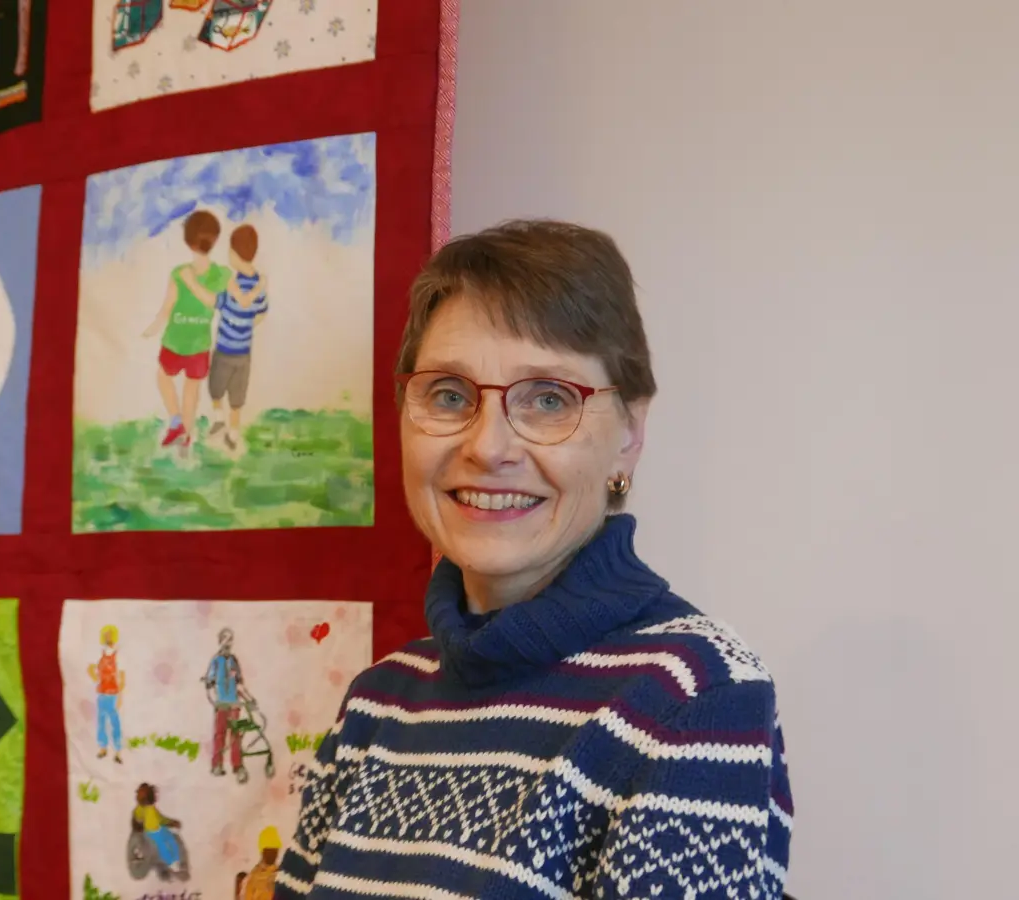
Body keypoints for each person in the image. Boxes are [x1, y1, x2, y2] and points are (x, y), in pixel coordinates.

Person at [275, 220, 793, 899]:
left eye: (548, 399)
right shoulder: (377, 702)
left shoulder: (695, 695)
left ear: (630, 433)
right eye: (450, 394)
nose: (488, 447)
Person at [142, 210, 228, 450]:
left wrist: (153, 327)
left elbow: (168, 308)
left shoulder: (180, 273)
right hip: (198, 344)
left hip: (176, 341)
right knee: (191, 389)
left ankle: (177, 423)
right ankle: (185, 434)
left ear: (188, 241)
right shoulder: (221, 274)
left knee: (164, 377)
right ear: (215, 239)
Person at [178, 223, 268, 452]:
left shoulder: (232, 284)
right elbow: (261, 312)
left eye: (229, 250)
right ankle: (231, 434)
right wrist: (247, 325)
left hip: (225, 350)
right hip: (244, 353)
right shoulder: (259, 285)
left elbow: (214, 301)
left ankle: (222, 422)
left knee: (217, 389)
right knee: (236, 398)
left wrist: (191, 283)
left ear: (235, 254)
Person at [202, 627, 248, 778]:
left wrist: (248, 697)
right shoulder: (216, 661)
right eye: (225, 639)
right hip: (221, 702)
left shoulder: (234, 661)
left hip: (234, 702)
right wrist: (211, 693)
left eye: (230, 639)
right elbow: (209, 681)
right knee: (219, 734)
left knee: (235, 735)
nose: (228, 643)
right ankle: (217, 765)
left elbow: (239, 681)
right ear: (220, 641)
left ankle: (237, 766)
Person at [87, 624, 125, 763]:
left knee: (115, 722)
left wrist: (120, 696)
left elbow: (122, 677)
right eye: (106, 635)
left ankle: (118, 751)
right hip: (102, 693)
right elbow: (90, 668)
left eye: (110, 635)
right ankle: (103, 748)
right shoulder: (100, 653)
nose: (108, 638)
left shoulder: (119, 655)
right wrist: (97, 679)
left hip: (113, 694)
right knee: (101, 721)